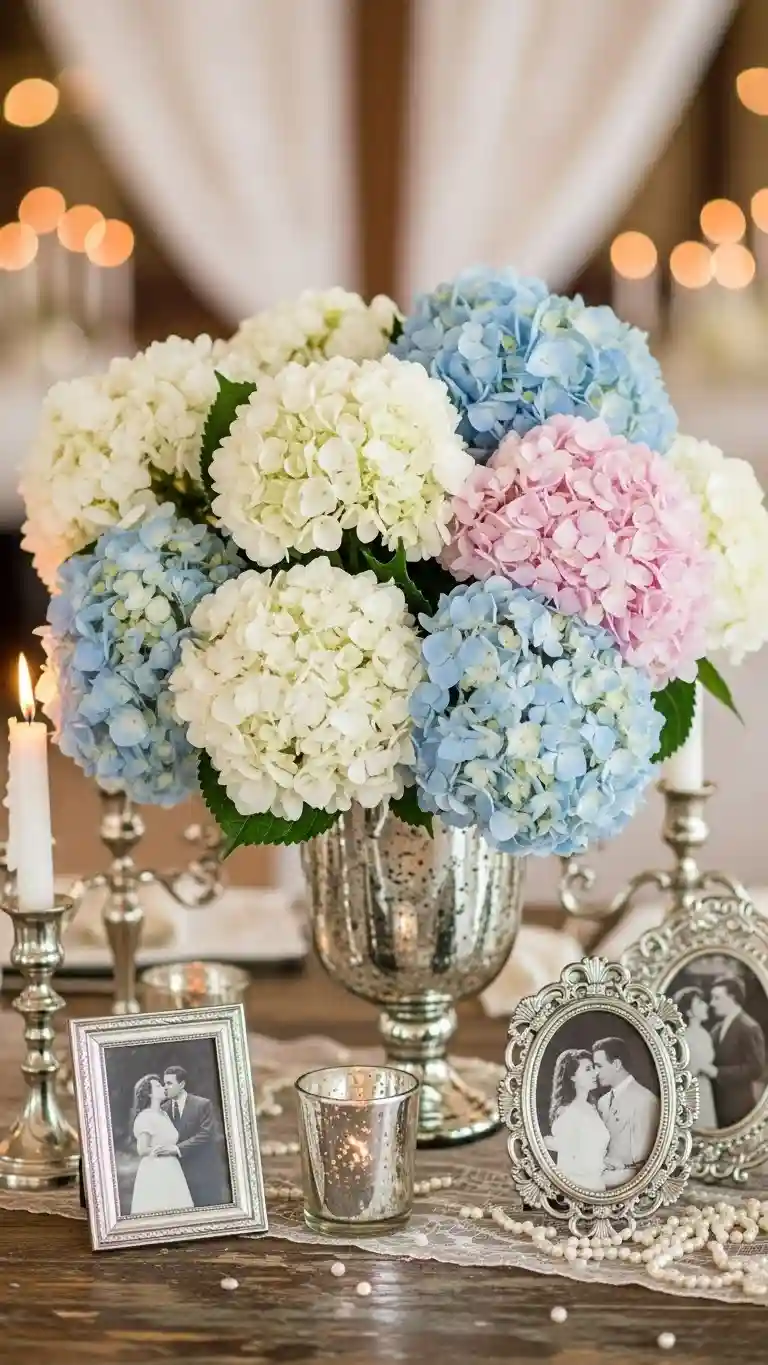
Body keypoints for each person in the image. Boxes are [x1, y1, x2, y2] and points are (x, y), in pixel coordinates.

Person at [592, 1037, 660, 1187]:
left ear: (616, 1064)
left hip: (629, 1186)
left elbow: (642, 1158)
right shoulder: (603, 1101)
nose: (595, 1073)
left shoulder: (646, 1100)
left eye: (599, 1066)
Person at [544, 1049, 610, 1191]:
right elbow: (565, 1158)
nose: (595, 1073)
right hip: (578, 1189)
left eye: (593, 1068)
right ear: (572, 1077)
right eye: (588, 1069)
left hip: (597, 1186)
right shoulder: (568, 1112)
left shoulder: (592, 1107)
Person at [161, 1065, 228, 1207]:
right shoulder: (163, 1109)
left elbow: (206, 1134)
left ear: (182, 1084)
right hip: (177, 1174)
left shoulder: (202, 1104)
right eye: (164, 1083)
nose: (165, 1087)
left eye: (169, 1083)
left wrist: (177, 1149)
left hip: (203, 1172)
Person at [704, 976, 766, 1128]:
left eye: (717, 998)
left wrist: (717, 1073)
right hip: (717, 1104)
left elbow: (755, 1069)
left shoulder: (749, 1027)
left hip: (739, 1108)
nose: (712, 1003)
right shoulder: (717, 1028)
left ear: (732, 998)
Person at [129, 1073, 193, 1215]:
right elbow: (142, 1149)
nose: (163, 1087)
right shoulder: (145, 1117)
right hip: (156, 1170)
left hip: (172, 1168)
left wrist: (172, 1150)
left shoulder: (164, 1114)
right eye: (158, 1086)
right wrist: (164, 1150)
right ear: (150, 1094)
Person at [672, 986, 718, 1129]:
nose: (705, 1006)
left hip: (705, 1091)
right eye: (699, 1003)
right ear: (689, 1011)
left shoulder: (704, 1033)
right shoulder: (684, 1037)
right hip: (690, 1093)